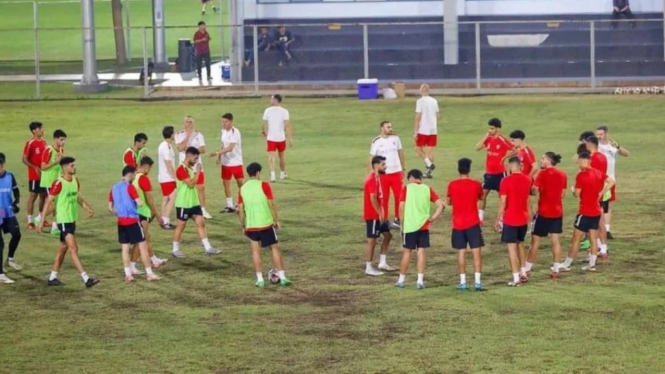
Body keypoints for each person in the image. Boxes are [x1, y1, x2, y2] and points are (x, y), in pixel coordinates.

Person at [37, 157, 99, 288]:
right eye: (72, 165)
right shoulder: (59, 183)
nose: (74, 167)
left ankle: (52, 277)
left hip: (71, 219)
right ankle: (86, 279)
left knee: (63, 248)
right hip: (63, 220)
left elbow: (77, 196)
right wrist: (41, 221)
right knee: (73, 248)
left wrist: (87, 207)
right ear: (64, 168)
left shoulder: (75, 181)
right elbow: (49, 201)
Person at [237, 162, 292, 288]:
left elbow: (240, 209)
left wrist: (243, 226)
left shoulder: (243, 188)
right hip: (266, 224)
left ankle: (260, 280)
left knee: (255, 252)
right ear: (257, 173)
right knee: (274, 249)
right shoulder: (264, 185)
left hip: (251, 226)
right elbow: (271, 204)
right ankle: (282, 277)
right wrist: (276, 220)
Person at [560, 152, 614, 272]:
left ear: (583, 161)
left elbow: (577, 194)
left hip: (585, 212)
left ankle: (566, 264)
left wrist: (573, 190)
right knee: (593, 238)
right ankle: (592, 264)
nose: (578, 164)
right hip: (595, 211)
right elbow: (611, 181)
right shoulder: (598, 173)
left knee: (576, 239)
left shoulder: (581, 176)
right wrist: (602, 192)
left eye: (579, 161)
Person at [108, 166, 161, 283]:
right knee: (143, 246)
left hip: (121, 222)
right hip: (132, 221)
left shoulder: (114, 187)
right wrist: (138, 204)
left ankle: (128, 275)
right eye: (134, 175)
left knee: (125, 249)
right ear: (131, 174)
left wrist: (121, 211)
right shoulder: (130, 187)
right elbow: (139, 203)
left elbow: (110, 208)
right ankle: (149, 274)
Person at [394, 169, 444, 289]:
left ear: (411, 177)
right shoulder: (428, 189)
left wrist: (401, 223)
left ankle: (401, 280)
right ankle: (420, 281)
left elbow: (401, 207)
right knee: (421, 252)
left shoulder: (406, 188)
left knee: (407, 252)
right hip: (424, 225)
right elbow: (441, 205)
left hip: (410, 226)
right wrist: (433, 218)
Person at [171, 147, 220, 258]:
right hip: (183, 203)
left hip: (193, 202)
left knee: (201, 223)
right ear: (189, 156)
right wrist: (198, 173)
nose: (196, 160)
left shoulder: (189, 168)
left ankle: (208, 248)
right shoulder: (181, 169)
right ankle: (175, 249)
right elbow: (191, 184)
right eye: (195, 158)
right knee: (181, 226)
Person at [524, 152, 567, 278]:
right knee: (555, 241)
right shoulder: (563, 174)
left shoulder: (542, 174)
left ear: (548, 161)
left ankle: (527, 269)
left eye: (543, 159)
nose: (541, 161)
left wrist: (532, 189)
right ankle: (556, 269)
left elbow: (534, 191)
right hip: (557, 212)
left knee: (535, 241)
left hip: (544, 212)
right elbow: (562, 194)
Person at [446, 158, 484, 291]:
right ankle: (478, 282)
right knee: (476, 253)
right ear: (469, 169)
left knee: (461, 253)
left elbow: (449, 202)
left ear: (458, 169)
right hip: (473, 223)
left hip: (458, 224)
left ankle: (463, 282)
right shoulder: (476, 184)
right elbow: (481, 197)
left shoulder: (452, 185)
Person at [496, 157, 532, 287]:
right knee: (520, 244)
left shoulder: (505, 181)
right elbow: (528, 200)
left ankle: (516, 278)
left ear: (510, 166)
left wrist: (497, 219)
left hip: (511, 218)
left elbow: (503, 202)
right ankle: (523, 272)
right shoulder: (527, 179)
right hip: (523, 218)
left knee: (511, 248)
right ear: (520, 166)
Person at [131, 157, 168, 270]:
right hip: (142, 213)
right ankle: (132, 266)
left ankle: (153, 259)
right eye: (150, 168)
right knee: (139, 241)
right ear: (146, 167)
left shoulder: (133, 177)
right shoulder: (143, 179)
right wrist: (158, 216)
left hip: (133, 212)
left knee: (146, 237)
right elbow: (149, 200)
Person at [475, 118, 514, 222]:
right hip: (489, 173)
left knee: (502, 197)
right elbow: (477, 148)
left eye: (492, 129)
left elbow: (515, 149)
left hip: (500, 173)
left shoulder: (502, 139)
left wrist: (505, 158)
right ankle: (480, 217)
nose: (489, 130)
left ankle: (502, 218)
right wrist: (486, 136)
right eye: (489, 128)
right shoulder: (489, 139)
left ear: (498, 128)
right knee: (482, 195)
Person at [369, 121, 405, 229]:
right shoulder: (376, 141)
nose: (390, 128)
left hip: (396, 173)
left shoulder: (396, 139)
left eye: (391, 127)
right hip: (383, 174)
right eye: (388, 127)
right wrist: (372, 172)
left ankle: (398, 219)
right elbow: (371, 158)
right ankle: (384, 219)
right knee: (384, 198)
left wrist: (403, 168)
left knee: (399, 197)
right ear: (382, 128)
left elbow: (400, 153)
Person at [363, 155, 395, 276]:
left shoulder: (378, 177)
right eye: (383, 164)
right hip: (373, 215)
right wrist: (380, 213)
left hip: (380, 215)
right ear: (376, 165)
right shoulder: (371, 179)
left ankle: (382, 262)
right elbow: (373, 198)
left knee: (387, 235)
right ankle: (368, 267)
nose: (385, 166)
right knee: (372, 240)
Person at [596, 125, 629, 240]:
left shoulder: (612, 145)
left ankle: (607, 230)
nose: (599, 136)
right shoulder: (596, 145)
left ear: (606, 133)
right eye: (597, 134)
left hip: (610, 179)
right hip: (598, 179)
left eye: (601, 134)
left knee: (608, 205)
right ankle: (598, 229)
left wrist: (618, 147)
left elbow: (626, 154)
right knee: (598, 205)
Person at [175, 116, 211, 219]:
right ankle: (188, 208)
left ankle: (203, 210)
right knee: (187, 188)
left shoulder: (199, 134)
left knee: (200, 188)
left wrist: (191, 151)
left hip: (197, 165)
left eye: (191, 122)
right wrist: (188, 136)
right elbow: (180, 148)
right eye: (187, 122)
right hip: (186, 167)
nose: (189, 124)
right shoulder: (179, 135)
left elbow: (203, 149)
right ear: (184, 123)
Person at [210, 113, 245, 213]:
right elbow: (223, 145)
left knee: (240, 183)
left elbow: (230, 148)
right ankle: (229, 205)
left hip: (236, 162)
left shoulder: (235, 132)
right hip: (226, 163)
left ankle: (241, 202)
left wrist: (217, 152)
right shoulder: (223, 131)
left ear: (231, 122)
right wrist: (219, 157)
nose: (223, 123)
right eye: (222, 121)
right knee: (226, 183)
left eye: (226, 121)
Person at [585, 135, 611, 259]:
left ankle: (601, 248)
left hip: (595, 193)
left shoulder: (592, 158)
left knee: (597, 222)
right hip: (603, 191)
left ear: (590, 144)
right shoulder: (603, 157)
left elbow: (592, 176)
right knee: (599, 222)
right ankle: (601, 247)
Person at [0, 153, 22, 284]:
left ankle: (10, 259)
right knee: (0, 243)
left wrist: (16, 203)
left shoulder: (9, 176)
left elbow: (16, 192)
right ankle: (0, 274)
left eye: (1, 166)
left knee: (17, 234)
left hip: (7, 212)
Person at [40, 129, 67, 236]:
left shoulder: (61, 150)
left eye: (64, 140)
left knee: (58, 204)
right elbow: (43, 167)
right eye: (61, 140)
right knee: (54, 205)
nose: (63, 142)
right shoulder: (48, 150)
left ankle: (55, 228)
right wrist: (56, 161)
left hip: (57, 181)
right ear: (55, 139)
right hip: (48, 181)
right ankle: (39, 218)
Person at [22, 121, 47, 230]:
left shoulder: (44, 143)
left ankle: (41, 218)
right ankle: (29, 220)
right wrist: (35, 167)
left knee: (43, 197)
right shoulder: (30, 143)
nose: (42, 130)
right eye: (39, 128)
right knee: (33, 196)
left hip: (44, 175)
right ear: (34, 131)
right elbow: (24, 159)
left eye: (41, 128)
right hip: (34, 176)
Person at [262, 94, 292, 182]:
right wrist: (289, 138)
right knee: (281, 156)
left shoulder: (268, 111)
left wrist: (264, 132)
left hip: (271, 138)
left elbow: (263, 123)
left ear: (275, 100)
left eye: (272, 99)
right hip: (281, 138)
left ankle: (273, 175)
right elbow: (287, 125)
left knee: (271, 156)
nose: (270, 100)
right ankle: (282, 173)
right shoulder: (285, 111)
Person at [413, 84, 440, 178]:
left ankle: (429, 164)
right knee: (430, 151)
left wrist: (415, 131)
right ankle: (429, 172)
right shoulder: (434, 101)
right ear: (429, 91)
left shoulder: (420, 101)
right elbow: (437, 115)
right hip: (433, 129)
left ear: (421, 91)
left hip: (423, 129)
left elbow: (418, 116)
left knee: (417, 148)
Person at [157, 126, 177, 230]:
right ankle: (166, 220)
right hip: (167, 178)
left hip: (164, 177)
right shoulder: (165, 147)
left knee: (166, 198)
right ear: (171, 135)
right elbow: (168, 164)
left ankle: (163, 220)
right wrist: (176, 178)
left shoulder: (165, 145)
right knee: (172, 197)